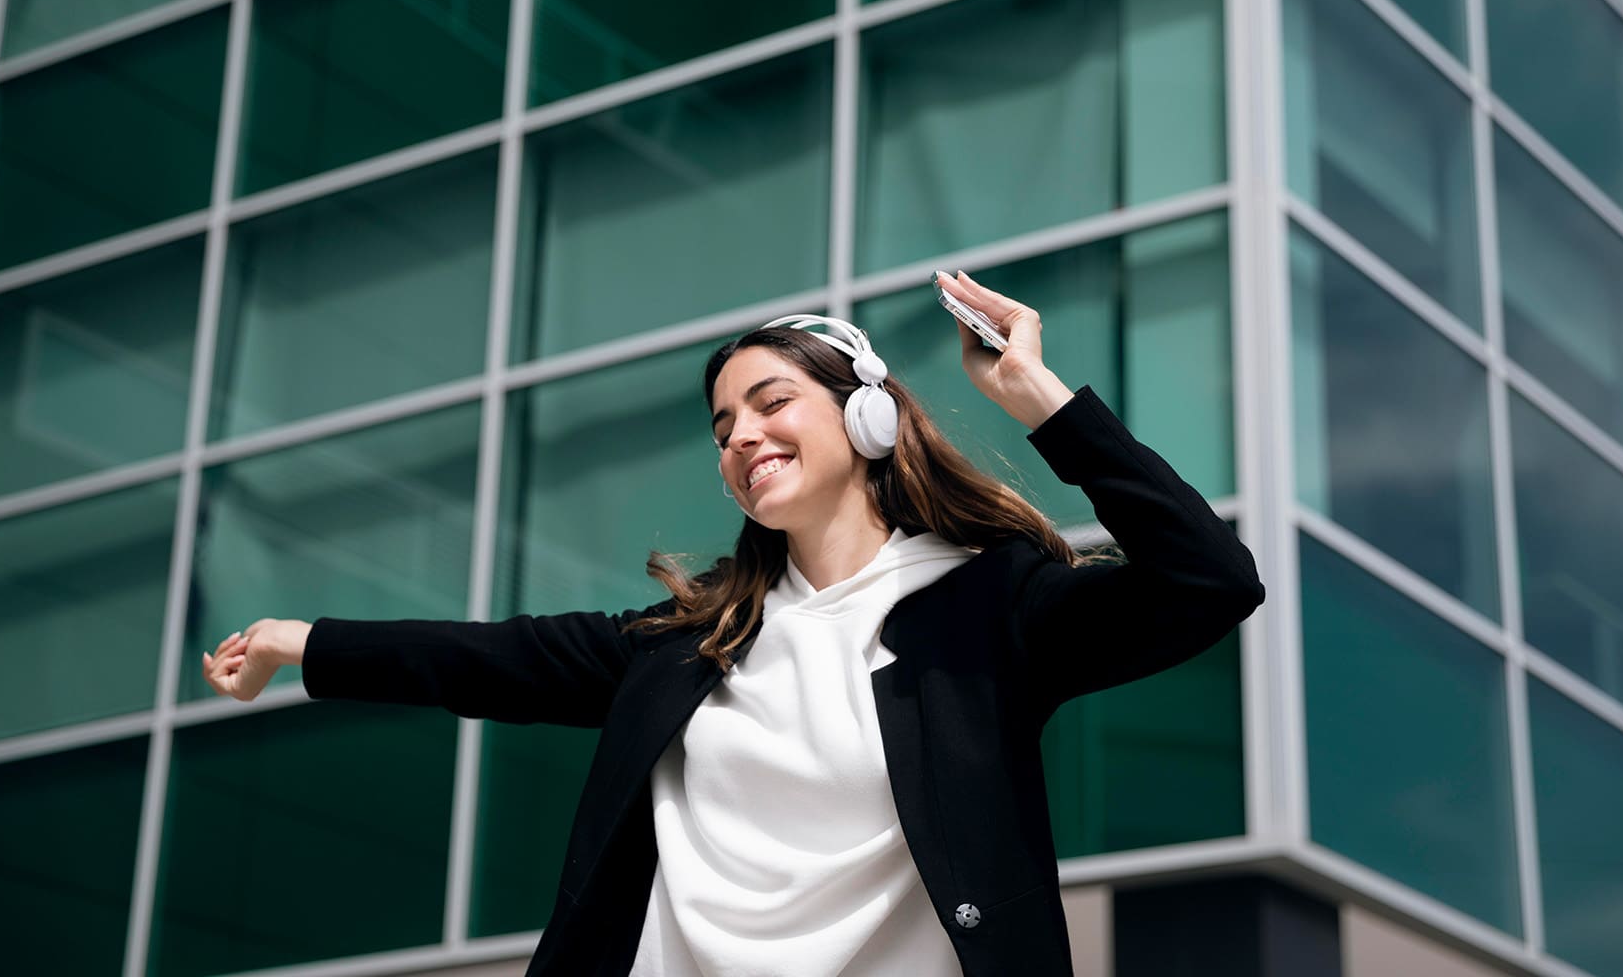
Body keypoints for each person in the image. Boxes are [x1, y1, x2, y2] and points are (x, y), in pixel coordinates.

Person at [201, 269, 1267, 976]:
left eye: (770, 403)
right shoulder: (687, 642)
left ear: (868, 415)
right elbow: (490, 659)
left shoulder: (992, 609)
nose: (742, 436)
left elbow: (1209, 580)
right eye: (722, 426)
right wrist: (298, 641)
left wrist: (1038, 398)